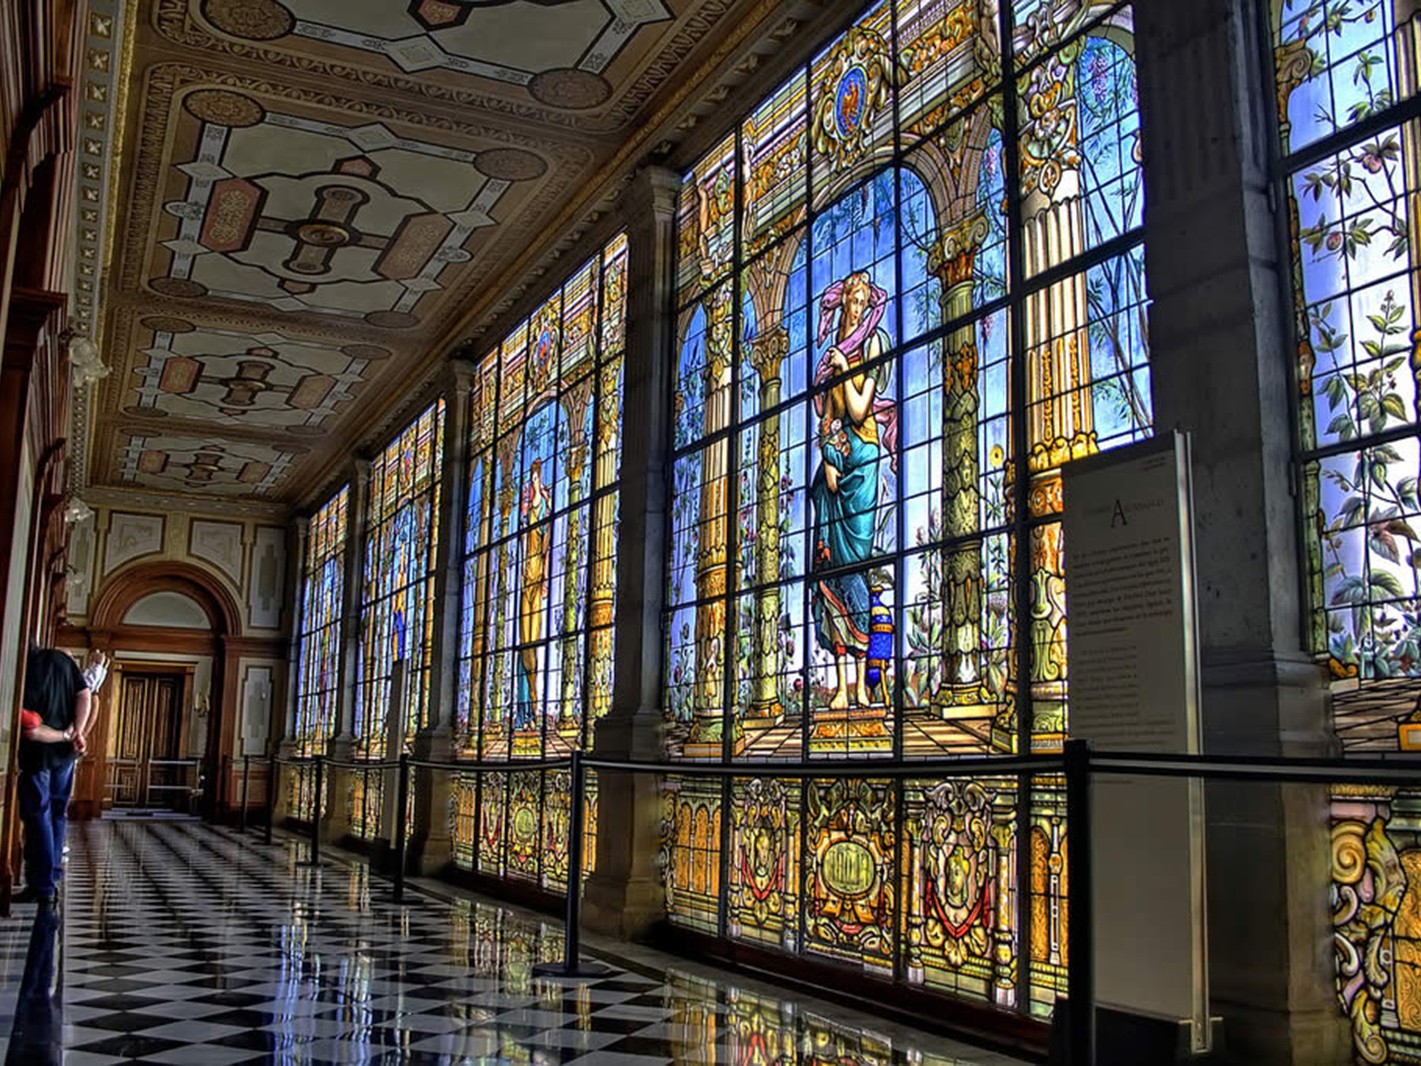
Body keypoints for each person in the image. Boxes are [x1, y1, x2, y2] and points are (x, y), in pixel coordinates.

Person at [810, 271, 897, 711]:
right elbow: (827, 415)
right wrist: (826, 453)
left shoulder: (874, 342)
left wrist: (844, 367)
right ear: (843, 300)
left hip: (863, 462)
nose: (857, 305)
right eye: (851, 298)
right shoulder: (830, 352)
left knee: (856, 571)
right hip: (837, 462)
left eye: (863, 298)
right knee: (830, 578)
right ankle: (843, 687)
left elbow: (861, 407)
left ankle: (865, 685)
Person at [16, 646, 90, 905]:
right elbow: (85, 694)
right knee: (57, 813)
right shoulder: (65, 663)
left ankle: (43, 885)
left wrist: (66, 734)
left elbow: (32, 731)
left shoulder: (28, 669)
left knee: (39, 818)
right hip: (65, 757)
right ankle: (52, 877)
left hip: (40, 757)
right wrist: (77, 731)